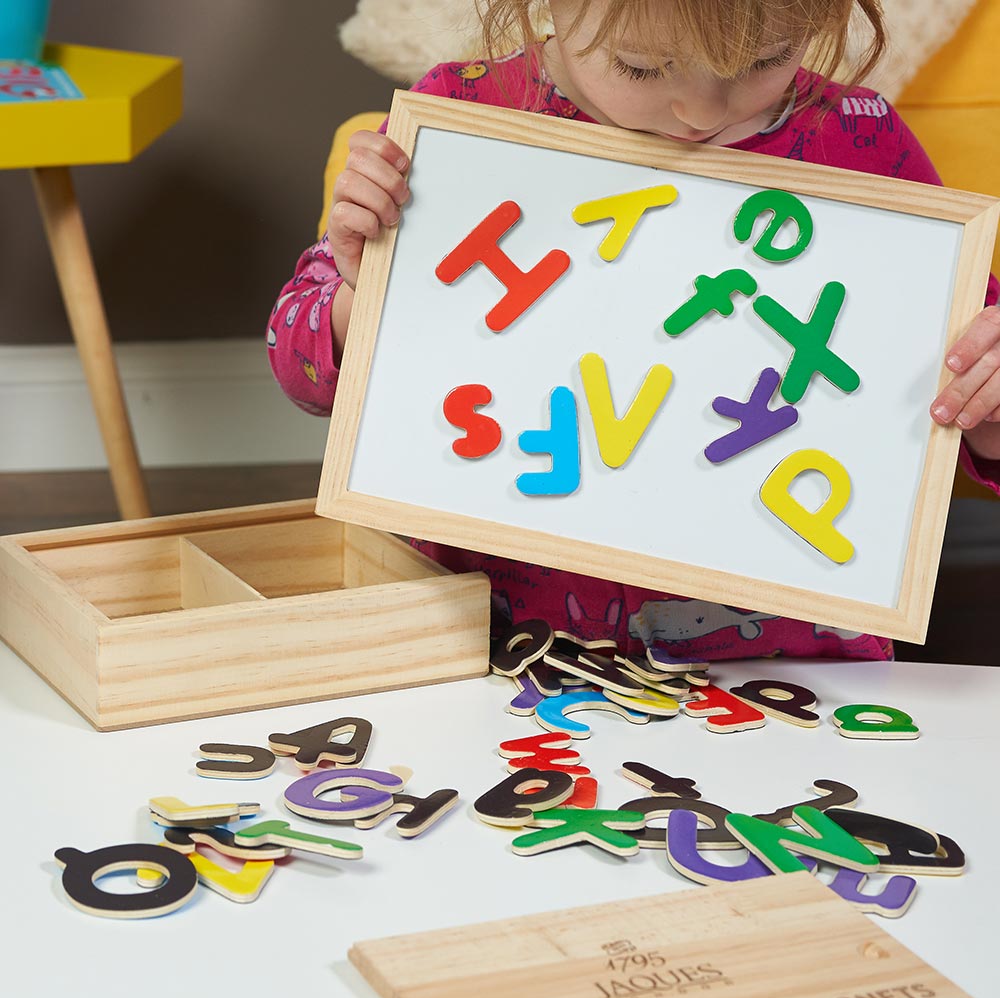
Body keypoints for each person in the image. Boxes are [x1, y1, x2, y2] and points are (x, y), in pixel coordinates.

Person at [268, 0, 1000, 661]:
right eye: (643, 66)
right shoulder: (465, 112)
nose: (697, 110)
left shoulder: (861, 139)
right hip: (496, 654)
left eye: (765, 59)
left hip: (783, 672)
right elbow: (301, 373)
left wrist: (987, 405)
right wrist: (366, 295)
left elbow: (958, 387)